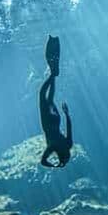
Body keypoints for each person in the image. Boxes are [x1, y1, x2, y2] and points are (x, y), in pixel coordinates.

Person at [39, 35, 72, 167]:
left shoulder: (68, 145)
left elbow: (69, 127)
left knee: (50, 98)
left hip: (57, 120)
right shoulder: (52, 148)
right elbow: (43, 161)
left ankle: (53, 75)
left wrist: (66, 113)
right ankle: (53, 74)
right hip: (47, 122)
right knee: (42, 95)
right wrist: (54, 165)